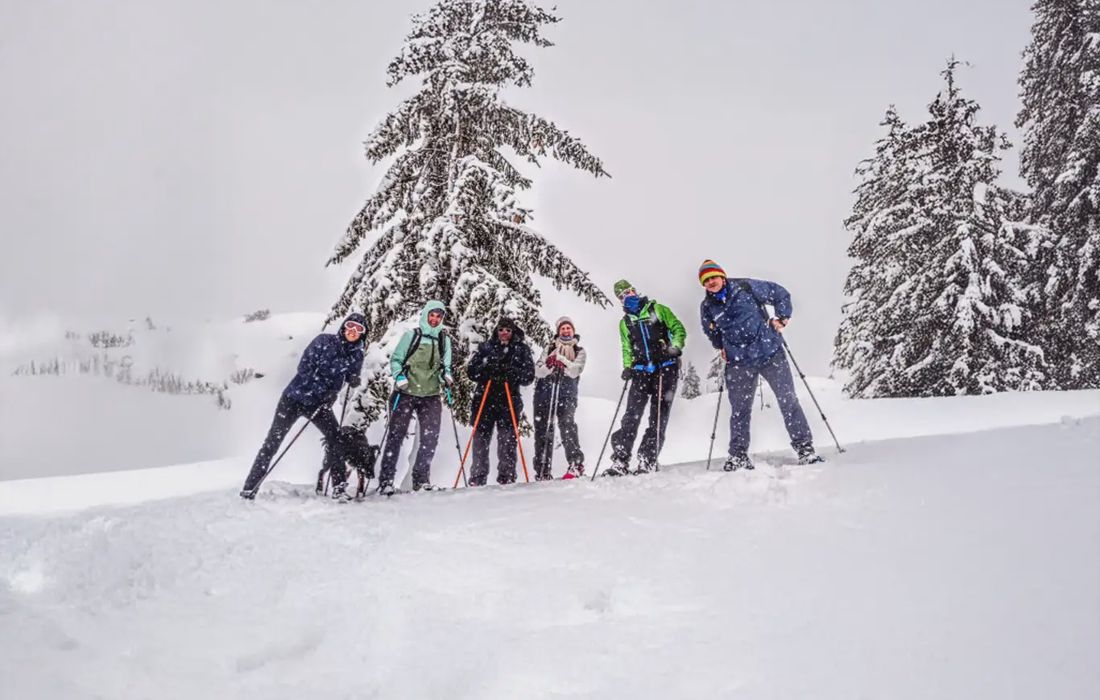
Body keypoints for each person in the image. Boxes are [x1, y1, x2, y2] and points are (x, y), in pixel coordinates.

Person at [697, 259, 823, 470]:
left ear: (722, 276)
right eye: (706, 280)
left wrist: (782, 318)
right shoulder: (707, 307)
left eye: (713, 277)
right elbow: (710, 330)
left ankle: (805, 449)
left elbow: (780, 293)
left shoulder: (746, 287)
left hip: (770, 353)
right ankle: (738, 456)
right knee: (740, 410)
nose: (711, 282)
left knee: (788, 401)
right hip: (739, 363)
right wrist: (721, 346)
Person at [240, 313, 367, 500]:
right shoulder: (324, 341)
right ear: (343, 327)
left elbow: (351, 374)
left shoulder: (357, 354)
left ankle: (339, 487)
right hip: (293, 399)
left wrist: (353, 379)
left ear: (362, 334)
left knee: (336, 438)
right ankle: (250, 488)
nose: (353, 331)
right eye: (350, 326)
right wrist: (324, 391)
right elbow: (304, 368)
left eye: (358, 329)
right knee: (272, 443)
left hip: (319, 405)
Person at [606, 280, 686, 475]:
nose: (628, 296)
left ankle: (647, 459)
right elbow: (626, 346)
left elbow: (678, 329)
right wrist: (627, 367)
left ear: (635, 290)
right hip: (641, 371)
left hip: (665, 368)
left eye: (628, 291)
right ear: (620, 300)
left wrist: (674, 348)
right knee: (631, 416)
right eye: (623, 295)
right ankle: (620, 459)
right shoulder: (625, 323)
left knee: (658, 416)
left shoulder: (658, 309)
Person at [376, 300, 454, 496]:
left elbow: (446, 365)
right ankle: (386, 481)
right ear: (426, 315)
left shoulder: (444, 341)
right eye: (432, 315)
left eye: (439, 316)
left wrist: (446, 376)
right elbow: (396, 360)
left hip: (431, 394)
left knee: (430, 438)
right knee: (396, 437)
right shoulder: (411, 335)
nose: (435, 319)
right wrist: (400, 377)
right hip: (405, 393)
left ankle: (421, 480)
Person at [466, 317, 536, 486]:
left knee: (507, 439)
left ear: (513, 332)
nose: (504, 333)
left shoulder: (521, 349)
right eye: (501, 330)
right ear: (496, 331)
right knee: (481, 438)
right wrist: (487, 368)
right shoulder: (486, 347)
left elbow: (528, 376)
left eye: (508, 330)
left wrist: (512, 372)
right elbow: (471, 371)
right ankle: (477, 477)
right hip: (485, 397)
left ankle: (507, 475)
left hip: (508, 399)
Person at [532, 317, 588, 480]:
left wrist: (560, 360)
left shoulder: (579, 350)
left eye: (568, 328)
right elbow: (538, 369)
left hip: (566, 393)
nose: (565, 331)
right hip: (544, 392)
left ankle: (576, 464)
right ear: (558, 331)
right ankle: (542, 468)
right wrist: (549, 366)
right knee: (543, 429)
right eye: (562, 328)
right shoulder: (549, 347)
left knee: (567, 425)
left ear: (573, 330)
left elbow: (574, 371)